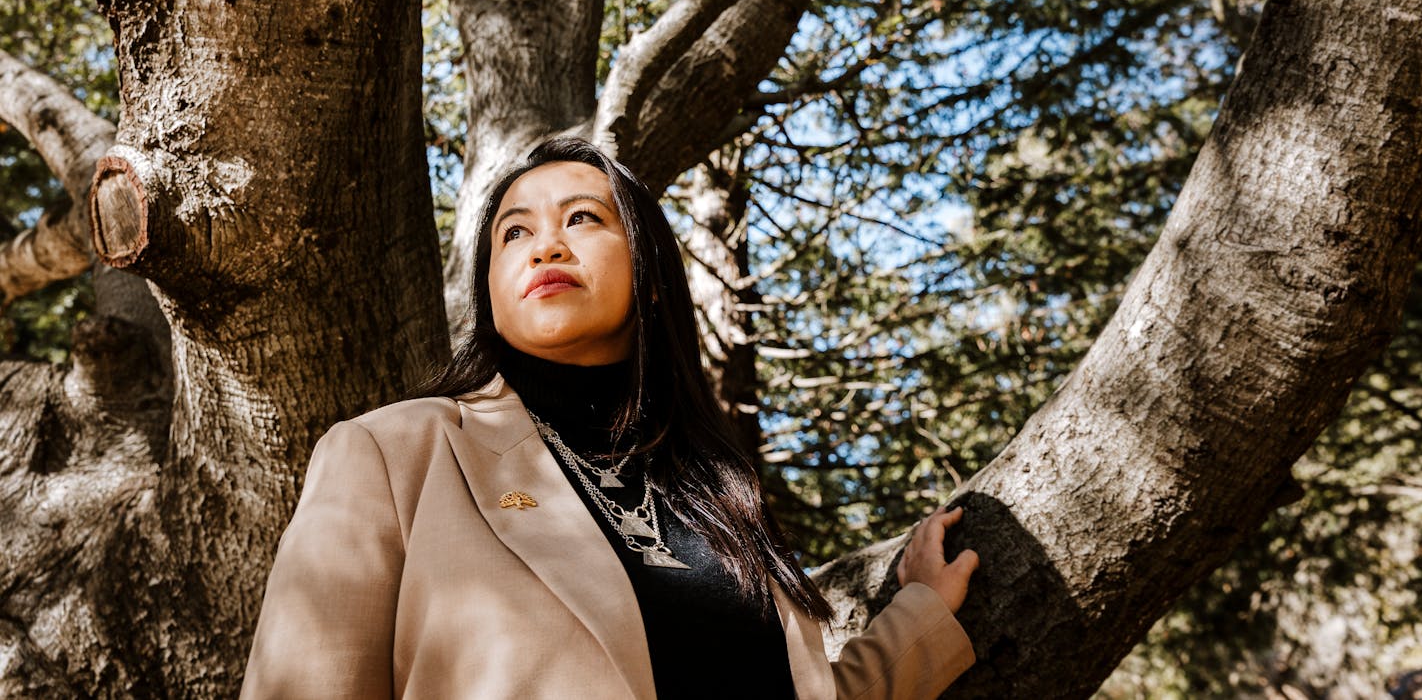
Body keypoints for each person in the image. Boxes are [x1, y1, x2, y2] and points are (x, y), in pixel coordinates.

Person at [241, 137, 979, 699]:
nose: (547, 245)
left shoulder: (718, 493)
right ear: (490, 290)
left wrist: (917, 612)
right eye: (514, 233)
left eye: (583, 218)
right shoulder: (393, 452)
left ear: (651, 277)